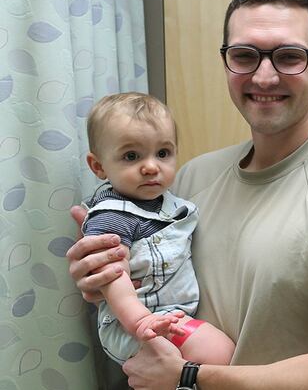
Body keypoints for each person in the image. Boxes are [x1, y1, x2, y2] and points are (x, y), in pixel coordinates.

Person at [66, 0, 308, 390]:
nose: (264, 76)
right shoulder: (189, 180)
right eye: (244, 56)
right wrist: (103, 276)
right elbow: (150, 289)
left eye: (288, 57)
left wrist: (190, 378)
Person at [81, 92, 235, 366]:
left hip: (169, 314)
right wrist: (141, 320)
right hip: (134, 322)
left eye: (163, 153)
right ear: (98, 166)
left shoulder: (171, 205)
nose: (151, 166)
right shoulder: (113, 215)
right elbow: (112, 276)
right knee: (217, 351)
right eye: (131, 156)